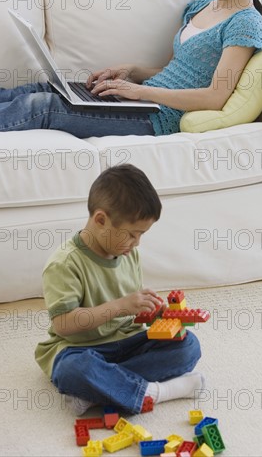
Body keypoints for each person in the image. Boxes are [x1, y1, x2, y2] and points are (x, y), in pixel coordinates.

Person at [0, 0, 262, 138]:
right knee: (47, 88)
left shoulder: (244, 22)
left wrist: (140, 92)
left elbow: (215, 97)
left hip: (158, 119)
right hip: (141, 102)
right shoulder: (199, 7)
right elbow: (174, 71)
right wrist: (133, 73)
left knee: (45, 107)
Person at [35, 164, 204, 415]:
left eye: (142, 235)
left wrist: (158, 313)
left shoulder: (127, 253)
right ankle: (158, 393)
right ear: (101, 220)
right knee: (74, 370)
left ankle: (98, 392)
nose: (137, 243)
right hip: (81, 348)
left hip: (127, 342)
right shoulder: (64, 263)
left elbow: (132, 315)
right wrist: (120, 306)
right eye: (133, 234)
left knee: (188, 346)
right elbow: (63, 324)